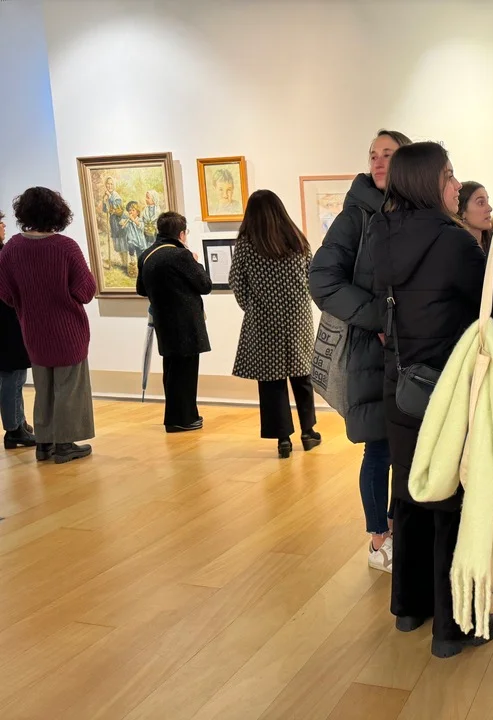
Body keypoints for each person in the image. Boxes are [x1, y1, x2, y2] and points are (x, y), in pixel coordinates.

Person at [370, 141, 492, 658]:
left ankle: (409, 608)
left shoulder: (380, 233)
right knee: (450, 501)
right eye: (449, 175)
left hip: (398, 384)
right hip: (446, 386)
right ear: (429, 182)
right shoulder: (455, 242)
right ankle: (452, 627)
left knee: (409, 491)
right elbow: (485, 312)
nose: (456, 185)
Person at [309, 128, 411, 572]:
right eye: (373, 154)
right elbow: (323, 280)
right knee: (379, 447)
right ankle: (377, 540)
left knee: (407, 448)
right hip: (371, 349)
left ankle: (398, 525)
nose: (378, 161)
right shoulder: (357, 215)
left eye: (388, 154)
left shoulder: (415, 212)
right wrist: (379, 319)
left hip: (411, 349)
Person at [0, 187, 96, 463]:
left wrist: (26, 304)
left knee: (43, 388)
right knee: (69, 387)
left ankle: (44, 443)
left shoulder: (12, 248)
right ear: (57, 212)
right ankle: (65, 445)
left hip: (33, 330)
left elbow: (5, 292)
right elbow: (86, 290)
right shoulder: (65, 247)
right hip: (68, 330)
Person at [229, 189, 321, 458]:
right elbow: (312, 277)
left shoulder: (246, 244)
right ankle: (308, 432)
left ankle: (283, 439)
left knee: (271, 382)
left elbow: (237, 283)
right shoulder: (297, 239)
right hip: (297, 318)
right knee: (302, 377)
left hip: (263, 321)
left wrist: (253, 308)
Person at [136, 211, 212, 432]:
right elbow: (205, 285)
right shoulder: (180, 255)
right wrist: (196, 262)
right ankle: (183, 419)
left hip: (163, 321)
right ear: (181, 234)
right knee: (186, 371)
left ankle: (176, 416)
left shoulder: (147, 255)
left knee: (171, 370)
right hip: (186, 322)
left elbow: (141, 289)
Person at [0, 210, 35, 450]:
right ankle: (13, 429)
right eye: (0, 223)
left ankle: (18, 422)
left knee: (15, 376)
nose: (3, 226)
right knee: (13, 376)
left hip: (8, 322)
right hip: (6, 324)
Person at [457, 181, 493, 252]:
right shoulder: (454, 250)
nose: (490, 208)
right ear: (462, 212)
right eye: (481, 203)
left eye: (487, 201)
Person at [100, 176, 124, 268]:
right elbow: (105, 210)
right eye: (108, 184)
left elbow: (117, 208)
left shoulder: (116, 196)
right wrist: (104, 201)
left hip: (119, 222)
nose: (109, 186)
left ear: (114, 185)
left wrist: (110, 197)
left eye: (111, 184)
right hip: (113, 222)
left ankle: (125, 263)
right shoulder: (106, 195)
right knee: (116, 243)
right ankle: (122, 263)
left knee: (121, 242)